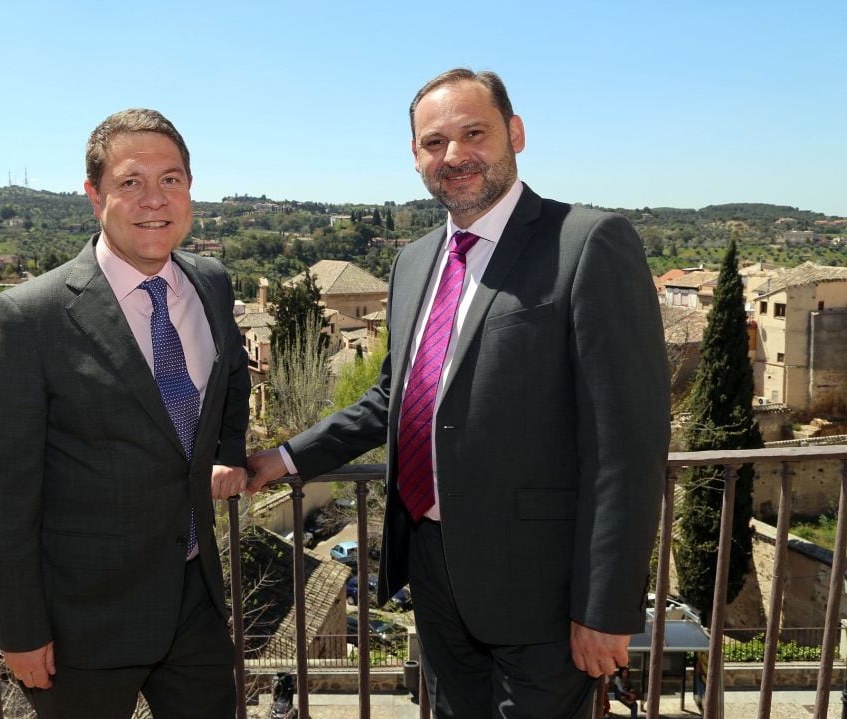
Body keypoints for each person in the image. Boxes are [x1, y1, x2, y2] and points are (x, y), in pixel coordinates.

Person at [247, 68, 671, 718]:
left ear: (516, 133)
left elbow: (628, 446)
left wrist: (606, 606)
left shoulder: (588, 243)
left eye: (474, 133)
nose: (455, 155)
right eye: (434, 142)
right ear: (416, 157)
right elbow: (396, 396)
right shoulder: (414, 261)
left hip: (543, 589)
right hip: (434, 571)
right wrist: (285, 458)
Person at [0, 108, 250, 718]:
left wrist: (227, 452)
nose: (155, 199)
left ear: (191, 189)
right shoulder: (28, 318)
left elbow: (233, 378)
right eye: (131, 182)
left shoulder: (212, 283)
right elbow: (0, 492)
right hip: (81, 626)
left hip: (196, 603)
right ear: (95, 195)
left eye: (171, 179)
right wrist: (19, 629)